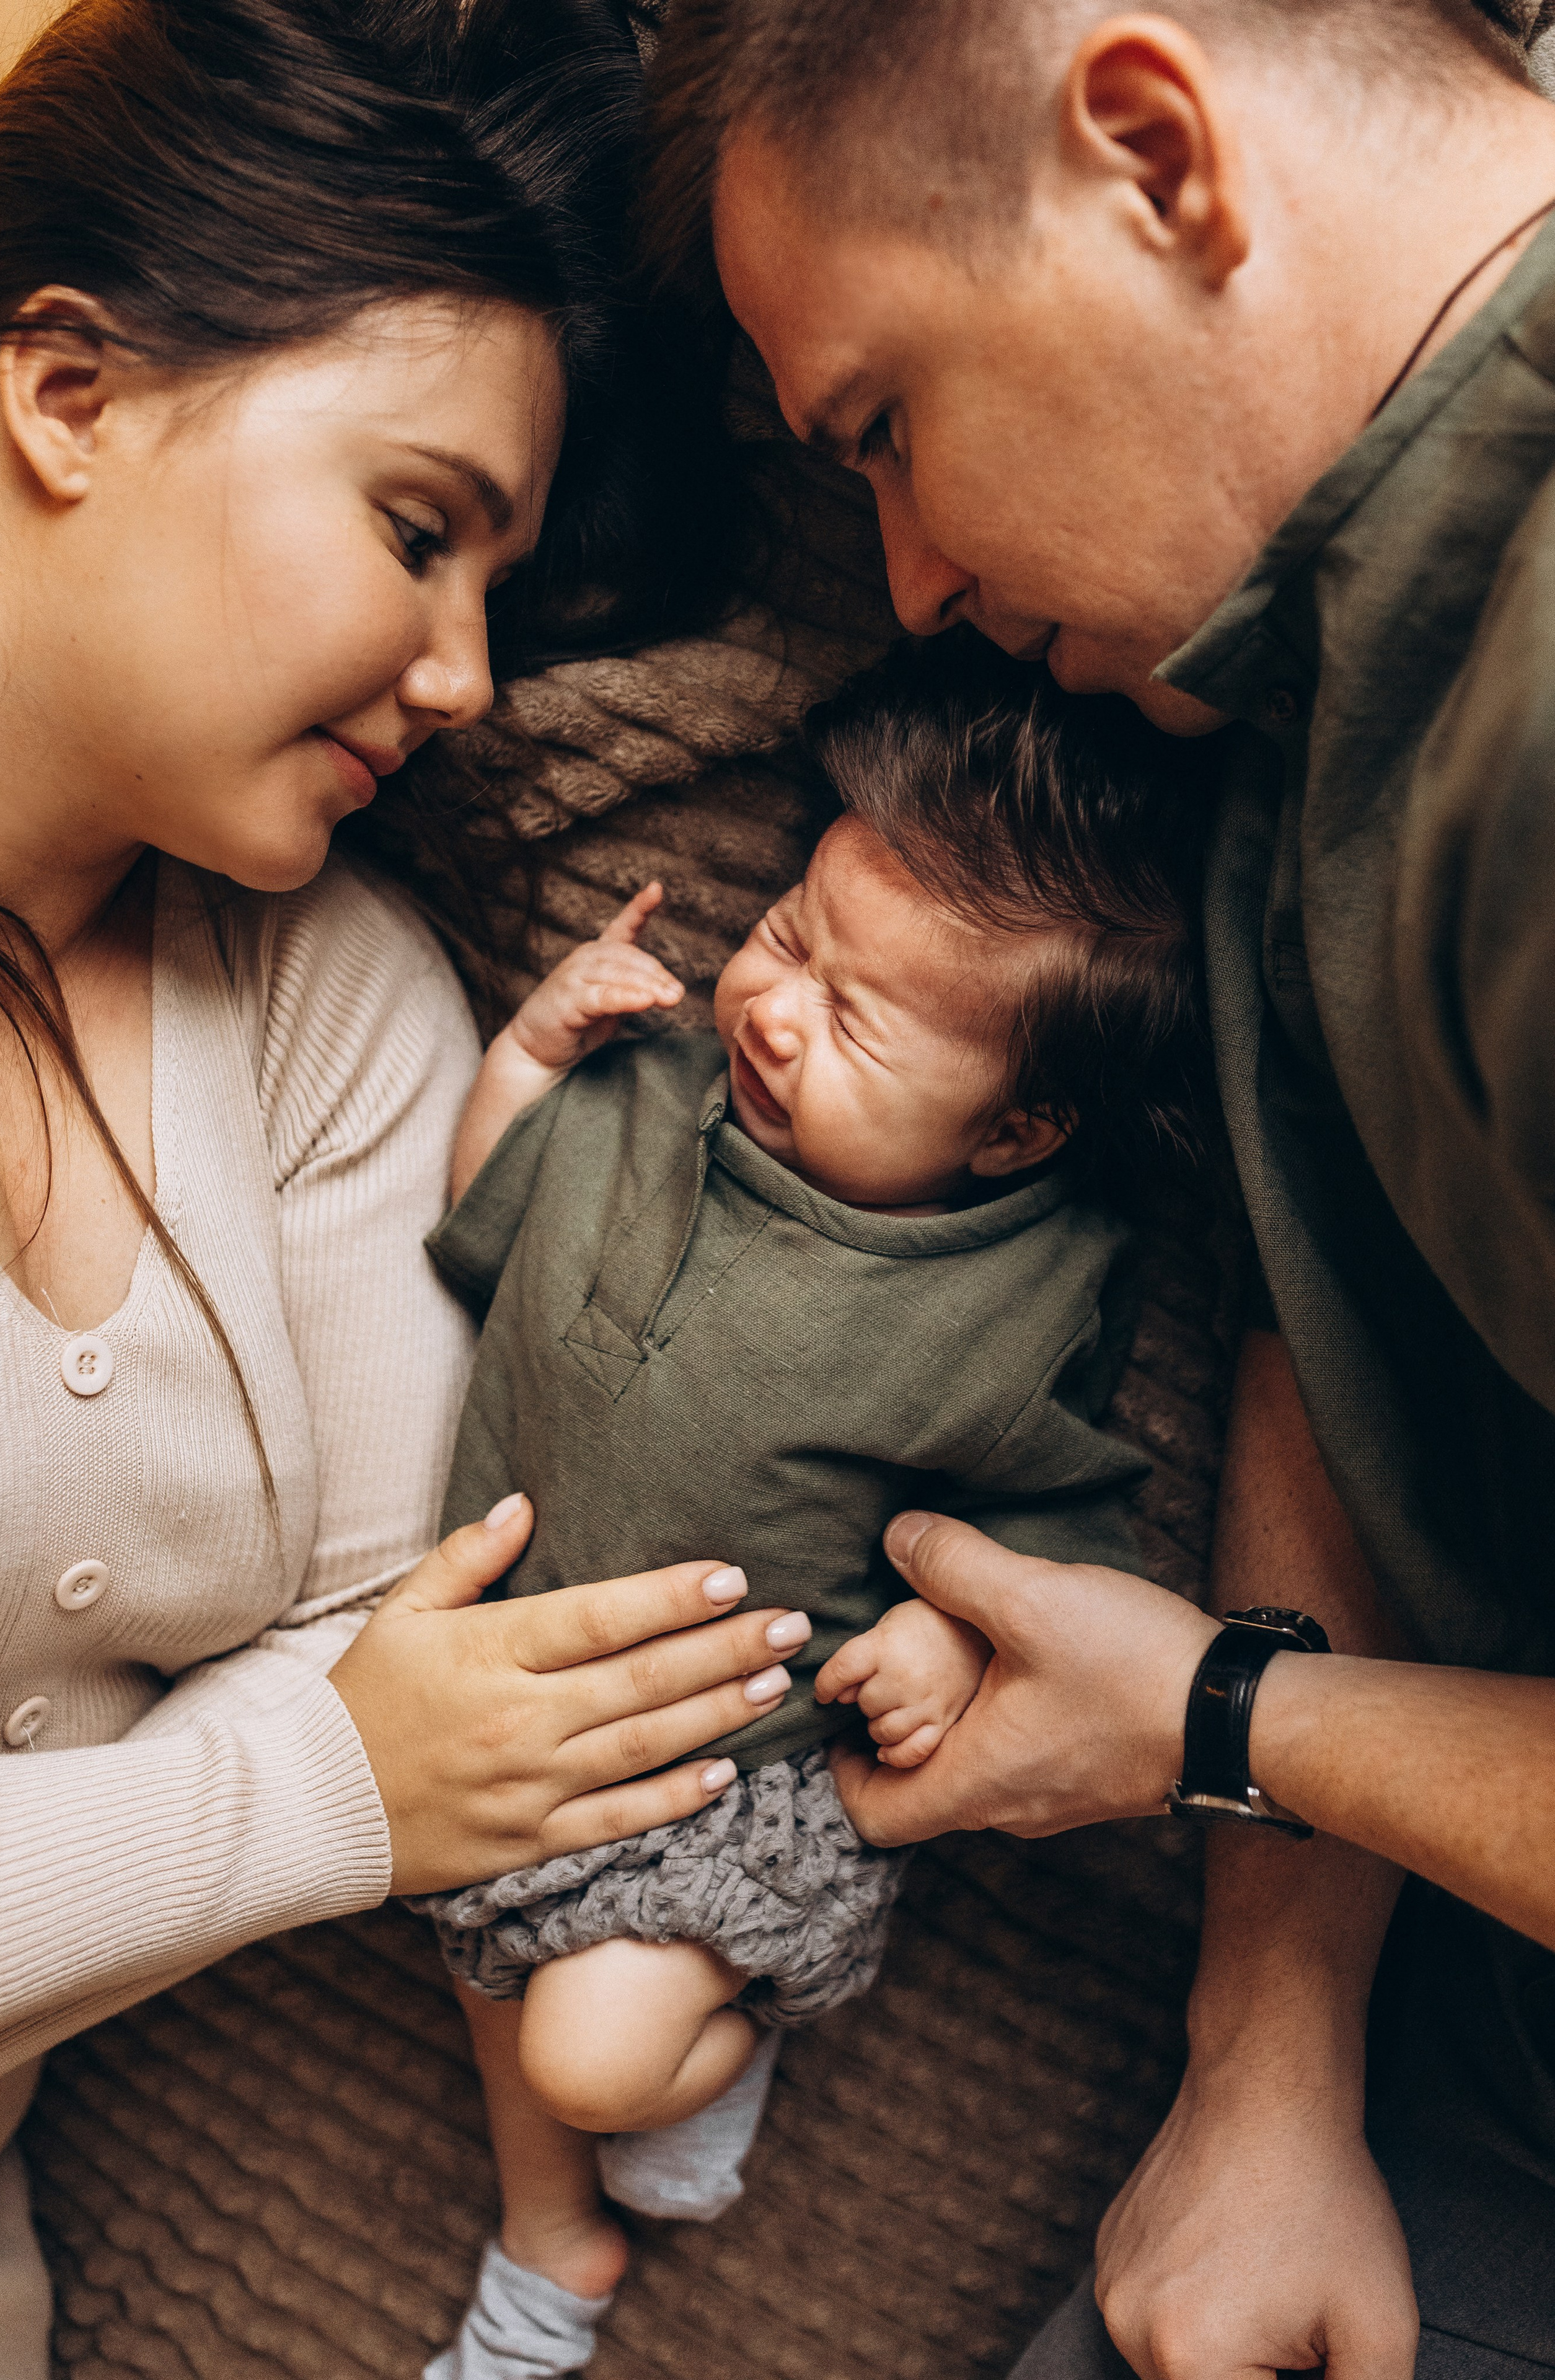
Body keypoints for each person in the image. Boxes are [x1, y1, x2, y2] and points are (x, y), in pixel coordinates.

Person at [643, 1, 1555, 2375]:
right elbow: (1333, 1347)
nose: (912, 576)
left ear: (1155, 154)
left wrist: (1222, 1718)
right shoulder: (1281, 720)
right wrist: (1272, 2063)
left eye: (888, 433)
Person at [0, 1, 800, 2368]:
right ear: (70, 391)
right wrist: (324, 1790)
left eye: (498, 599)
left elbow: (428, 1639)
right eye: (415, 531)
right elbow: (382, 1739)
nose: (460, 678)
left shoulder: (330, 1004)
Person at [410, 638, 1207, 2380]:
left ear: (1014, 1134)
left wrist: (943, 1629)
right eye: (784, 934)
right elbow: (484, 1225)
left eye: (853, 1018)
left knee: (589, 2060)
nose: (768, 1004)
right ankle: (547, 2256)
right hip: (506, 1701)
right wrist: (535, 1052)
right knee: (482, 1959)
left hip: (726, 1776)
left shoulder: (1012, 1292)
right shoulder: (650, 1090)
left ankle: (729, 2025)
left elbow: (1063, 1538)